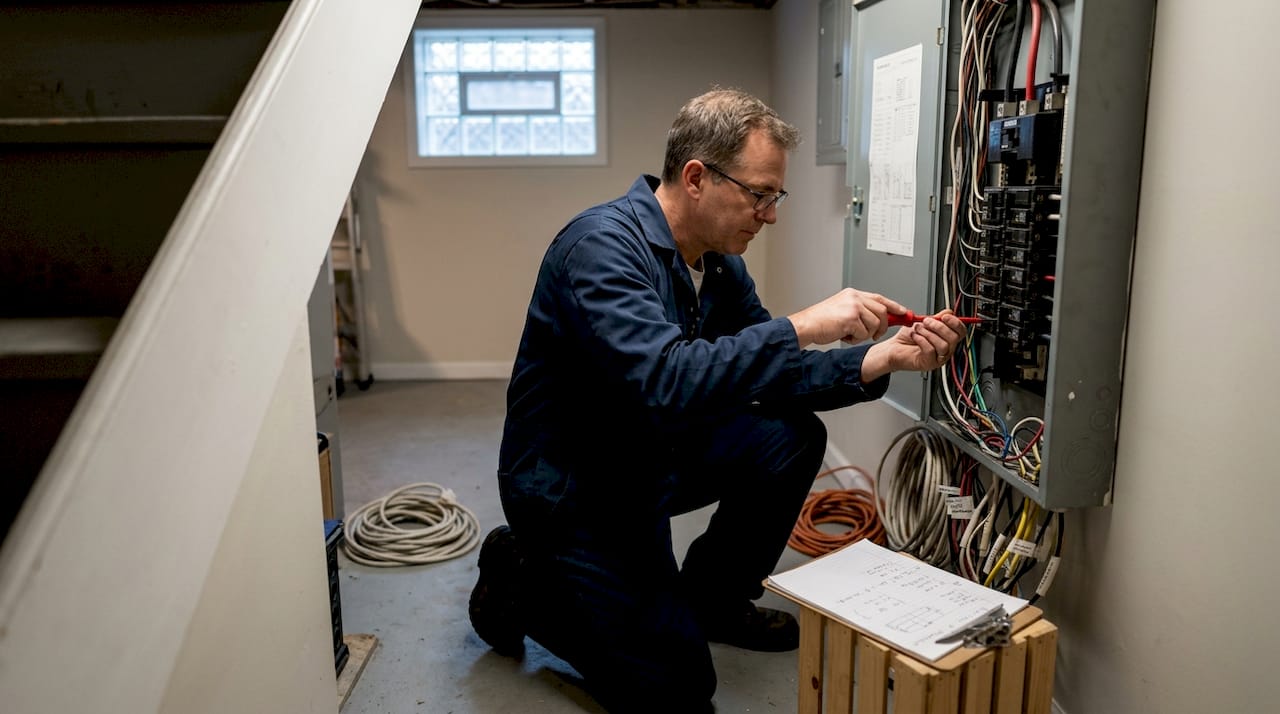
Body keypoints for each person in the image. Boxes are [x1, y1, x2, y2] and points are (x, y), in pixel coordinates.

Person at [469, 88, 966, 713]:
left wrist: (888, 357)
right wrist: (806, 323)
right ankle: (522, 577)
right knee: (677, 689)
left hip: (649, 457)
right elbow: (665, 381)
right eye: (760, 194)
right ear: (697, 177)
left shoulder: (717, 266)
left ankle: (712, 602)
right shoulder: (600, 249)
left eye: (774, 197)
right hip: (577, 491)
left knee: (790, 437)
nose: (770, 214)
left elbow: (770, 374)